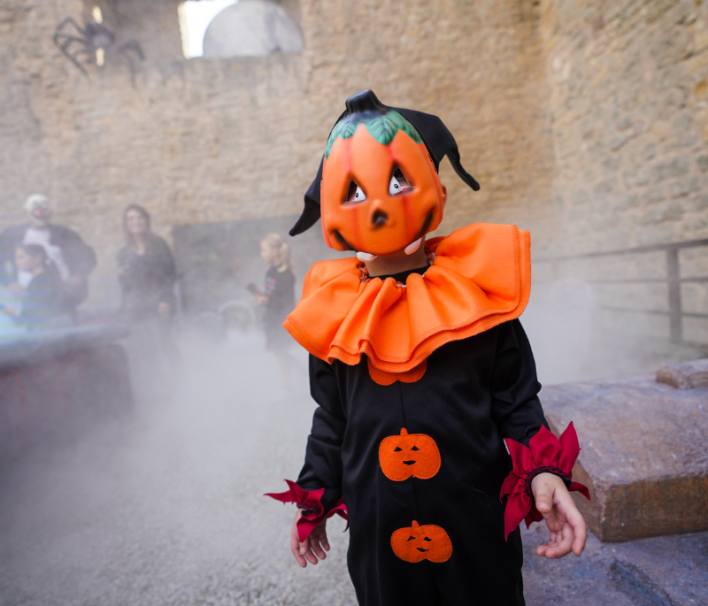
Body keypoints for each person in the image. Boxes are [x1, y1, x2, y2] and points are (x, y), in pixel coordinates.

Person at [266, 90, 590, 606]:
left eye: (397, 180)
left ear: (435, 187)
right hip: (380, 527)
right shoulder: (334, 314)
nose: (377, 204)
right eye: (353, 189)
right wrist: (315, 499)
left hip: (477, 519)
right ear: (329, 207)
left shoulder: (478, 298)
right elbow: (332, 418)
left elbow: (516, 400)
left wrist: (545, 471)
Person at [0, 194, 96, 318]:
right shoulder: (12, 235)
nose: (40, 214)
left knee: (65, 330)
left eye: (44, 212)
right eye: (37, 211)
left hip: (62, 299)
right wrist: (9, 282)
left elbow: (87, 256)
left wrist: (78, 275)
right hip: (25, 299)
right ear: (27, 212)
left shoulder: (64, 234)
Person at [116, 204, 179, 367]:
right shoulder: (123, 253)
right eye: (130, 218)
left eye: (139, 217)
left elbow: (169, 273)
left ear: (146, 221)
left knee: (166, 344)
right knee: (145, 348)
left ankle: (179, 383)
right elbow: (126, 287)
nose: (135, 221)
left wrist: (165, 299)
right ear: (126, 223)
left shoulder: (158, 245)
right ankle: (155, 386)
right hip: (138, 306)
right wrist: (122, 277)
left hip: (159, 302)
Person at [250, 233, 298, 387]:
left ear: (275, 251)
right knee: (279, 354)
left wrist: (267, 301)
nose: (261, 254)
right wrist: (262, 299)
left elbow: (287, 303)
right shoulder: (270, 273)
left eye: (264, 250)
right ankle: (303, 373)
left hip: (281, 321)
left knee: (281, 354)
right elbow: (271, 294)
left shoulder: (287, 275)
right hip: (271, 319)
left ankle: (288, 387)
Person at [1, 245, 71, 330]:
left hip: (47, 335)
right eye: (16, 258)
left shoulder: (42, 282)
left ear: (37, 258)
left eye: (21, 257)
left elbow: (38, 316)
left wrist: (11, 312)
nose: (16, 261)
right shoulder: (43, 280)